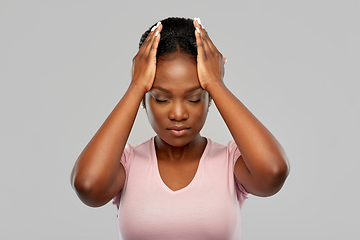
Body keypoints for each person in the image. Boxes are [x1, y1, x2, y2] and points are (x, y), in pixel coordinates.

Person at [71, 17, 290, 239]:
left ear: (211, 99)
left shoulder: (230, 161)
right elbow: (88, 186)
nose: (178, 114)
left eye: (194, 98)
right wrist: (136, 86)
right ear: (143, 100)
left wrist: (216, 83)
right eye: (161, 98)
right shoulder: (127, 163)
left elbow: (272, 173)